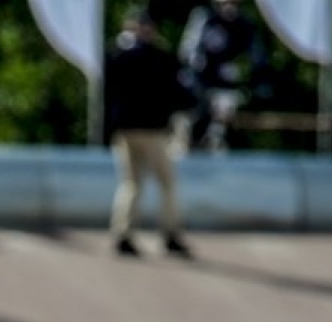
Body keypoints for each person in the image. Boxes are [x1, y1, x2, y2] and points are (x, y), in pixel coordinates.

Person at [105, 9, 195, 258]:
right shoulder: (158, 57)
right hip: (151, 130)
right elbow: (179, 92)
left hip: (125, 130)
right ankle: (170, 233)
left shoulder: (116, 55)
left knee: (131, 184)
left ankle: (123, 233)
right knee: (166, 182)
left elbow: (108, 93)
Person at [178, 0, 266, 149]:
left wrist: (255, 80)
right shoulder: (205, 18)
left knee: (226, 121)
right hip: (201, 82)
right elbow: (189, 50)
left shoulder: (244, 24)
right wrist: (197, 71)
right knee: (197, 120)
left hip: (227, 83)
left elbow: (257, 56)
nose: (230, 7)